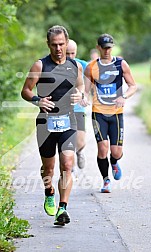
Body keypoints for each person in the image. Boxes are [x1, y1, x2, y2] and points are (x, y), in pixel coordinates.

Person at [21, 25, 84, 225]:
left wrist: (79, 94)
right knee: (48, 169)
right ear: (48, 44)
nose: (58, 48)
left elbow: (81, 85)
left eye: (61, 44)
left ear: (67, 43)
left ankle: (62, 208)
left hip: (69, 120)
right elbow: (26, 91)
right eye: (54, 45)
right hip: (45, 124)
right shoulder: (40, 66)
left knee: (67, 165)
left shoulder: (75, 66)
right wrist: (38, 100)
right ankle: (49, 192)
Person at [84, 33, 137, 193]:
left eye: (109, 48)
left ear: (112, 47)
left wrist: (124, 96)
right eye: (104, 48)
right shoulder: (92, 67)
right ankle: (106, 180)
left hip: (116, 113)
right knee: (102, 148)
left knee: (116, 152)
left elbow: (133, 86)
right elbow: (85, 91)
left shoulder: (121, 64)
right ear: (98, 48)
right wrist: (83, 98)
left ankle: (114, 162)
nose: (107, 51)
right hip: (98, 113)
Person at [66, 39, 88, 169]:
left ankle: (80, 152)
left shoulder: (82, 65)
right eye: (67, 53)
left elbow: (89, 85)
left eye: (72, 53)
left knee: (80, 141)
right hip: (63, 110)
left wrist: (85, 96)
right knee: (67, 142)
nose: (70, 57)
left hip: (78, 108)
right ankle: (69, 168)